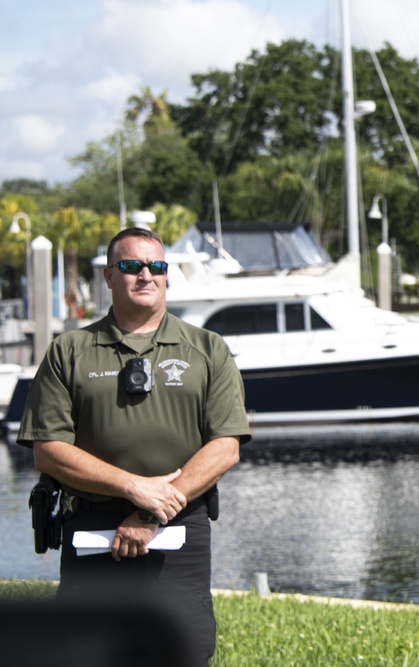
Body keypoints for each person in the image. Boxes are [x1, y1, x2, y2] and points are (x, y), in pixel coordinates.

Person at [17, 227, 251, 666]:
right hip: (91, 528)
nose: (146, 275)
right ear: (109, 276)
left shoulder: (207, 349)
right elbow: (48, 450)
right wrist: (132, 488)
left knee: (184, 649)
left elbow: (226, 447)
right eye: (131, 266)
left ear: (166, 276)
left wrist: (149, 512)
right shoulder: (68, 351)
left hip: (179, 527)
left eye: (156, 266)